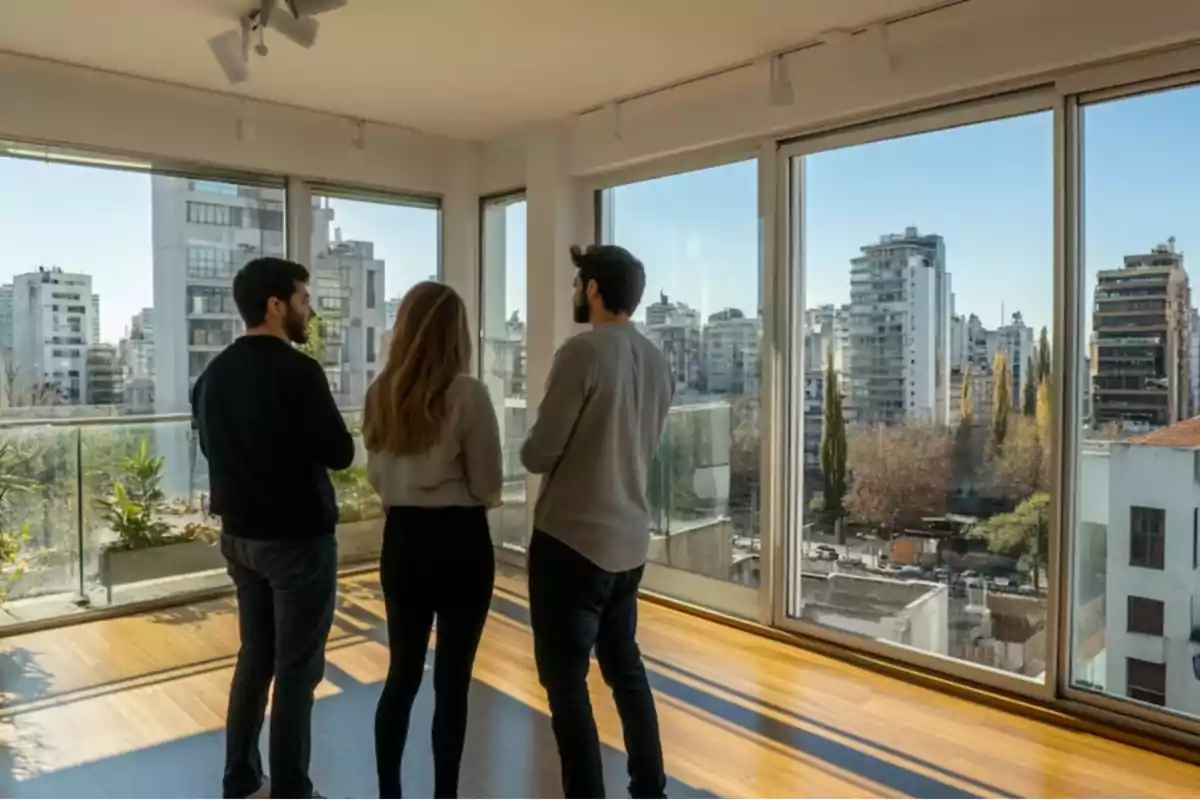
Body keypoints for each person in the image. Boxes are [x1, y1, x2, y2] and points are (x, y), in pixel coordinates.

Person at [192, 257, 355, 800]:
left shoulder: (211, 376)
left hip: (240, 539)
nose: (310, 309)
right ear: (276, 305)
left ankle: (239, 777)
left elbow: (212, 448)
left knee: (254, 656)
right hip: (297, 542)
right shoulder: (299, 372)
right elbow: (340, 452)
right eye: (304, 299)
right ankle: (291, 790)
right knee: (297, 669)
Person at [521, 244, 673, 799]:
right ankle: (649, 787)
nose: (574, 292)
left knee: (566, 686)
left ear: (591, 289)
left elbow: (539, 453)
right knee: (626, 671)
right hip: (629, 543)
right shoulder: (657, 361)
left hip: (572, 543)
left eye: (577, 282)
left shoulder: (582, 354)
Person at [364, 281, 503, 799]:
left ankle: (389, 792)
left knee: (401, 674)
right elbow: (489, 483)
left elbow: (376, 476)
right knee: (453, 681)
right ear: (456, 333)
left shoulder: (381, 392)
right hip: (461, 543)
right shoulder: (468, 393)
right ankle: (446, 793)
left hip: (403, 539)